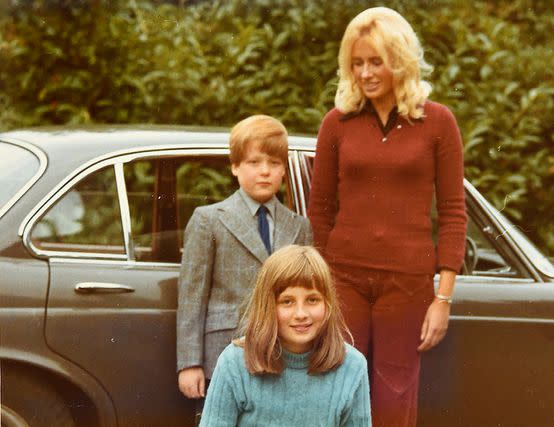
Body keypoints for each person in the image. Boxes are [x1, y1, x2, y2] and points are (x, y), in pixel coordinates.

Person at [308, 7, 467, 427]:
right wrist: (325, 282)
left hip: (408, 284)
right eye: (356, 63)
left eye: (375, 61)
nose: (365, 73)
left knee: (394, 399)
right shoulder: (336, 124)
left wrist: (443, 299)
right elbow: (320, 209)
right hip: (345, 281)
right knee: (337, 393)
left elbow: (452, 212)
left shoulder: (438, 123)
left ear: (400, 59)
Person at [177, 115, 313, 423]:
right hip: (222, 352)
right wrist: (189, 363)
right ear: (235, 166)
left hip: (284, 354)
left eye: (274, 163)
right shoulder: (209, 219)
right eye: (253, 162)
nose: (264, 171)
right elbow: (191, 298)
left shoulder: (299, 227)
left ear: (283, 169)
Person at [199, 245, 372, 427]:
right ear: (268, 306)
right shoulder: (234, 362)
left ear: (327, 304)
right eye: (287, 301)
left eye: (312, 300)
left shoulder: (353, 366)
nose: (301, 313)